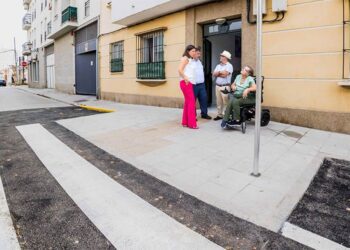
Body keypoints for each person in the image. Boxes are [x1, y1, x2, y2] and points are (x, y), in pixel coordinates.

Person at [178, 45, 198, 129]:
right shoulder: (185, 58)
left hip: (188, 83)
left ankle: (185, 122)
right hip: (186, 82)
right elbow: (179, 69)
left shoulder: (190, 59)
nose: (194, 53)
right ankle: (192, 124)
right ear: (188, 51)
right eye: (193, 51)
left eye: (195, 51)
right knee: (191, 102)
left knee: (188, 102)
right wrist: (186, 78)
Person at [212, 51, 233, 121]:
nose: (220, 57)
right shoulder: (218, 65)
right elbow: (213, 74)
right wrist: (220, 73)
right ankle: (219, 115)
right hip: (217, 86)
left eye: (222, 56)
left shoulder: (229, 65)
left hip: (225, 86)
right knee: (219, 102)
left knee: (226, 102)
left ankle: (226, 115)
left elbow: (225, 75)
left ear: (225, 58)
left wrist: (218, 73)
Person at [192, 47, 211, 120]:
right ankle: (193, 116)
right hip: (194, 85)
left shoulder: (200, 62)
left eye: (199, 53)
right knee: (193, 101)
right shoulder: (190, 62)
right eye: (197, 53)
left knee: (204, 99)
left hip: (202, 85)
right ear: (193, 54)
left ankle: (204, 114)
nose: (199, 55)